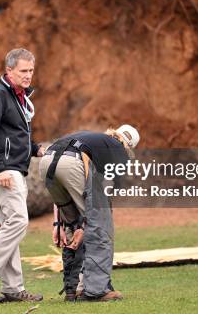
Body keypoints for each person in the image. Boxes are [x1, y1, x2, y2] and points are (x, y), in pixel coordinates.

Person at [0, 48, 45, 303]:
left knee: (10, 225)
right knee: (18, 222)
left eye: (31, 70)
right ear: (9, 70)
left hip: (15, 169)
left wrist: (36, 149)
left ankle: (13, 288)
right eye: (23, 71)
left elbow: (14, 135)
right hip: (5, 170)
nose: (28, 75)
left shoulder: (19, 97)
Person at [38, 125, 140, 302]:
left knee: (72, 224)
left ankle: (73, 289)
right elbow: (109, 192)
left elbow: (63, 186)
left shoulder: (94, 139)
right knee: (100, 226)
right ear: (129, 146)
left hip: (46, 161)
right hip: (72, 164)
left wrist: (58, 223)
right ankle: (96, 290)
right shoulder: (118, 151)